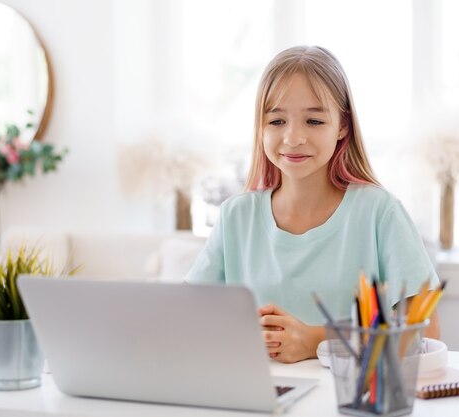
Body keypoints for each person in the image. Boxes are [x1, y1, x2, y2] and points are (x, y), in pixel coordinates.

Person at [185, 45, 440, 364]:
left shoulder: (379, 212)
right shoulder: (236, 216)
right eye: (277, 121)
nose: (293, 138)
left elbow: (425, 335)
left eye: (314, 121)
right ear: (260, 127)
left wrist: (317, 340)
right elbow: (188, 320)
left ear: (342, 126)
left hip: (352, 403)